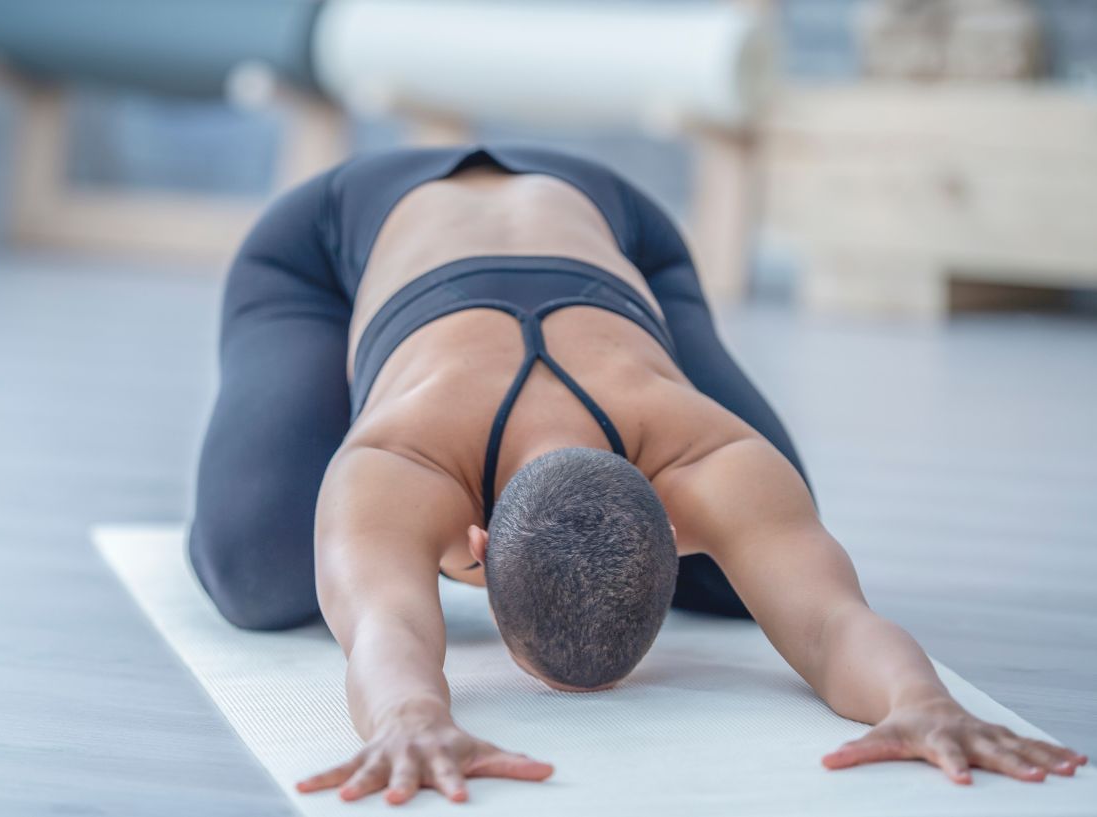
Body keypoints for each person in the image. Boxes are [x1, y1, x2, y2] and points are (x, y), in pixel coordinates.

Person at [188, 143, 1087, 805]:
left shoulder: (709, 454)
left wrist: (921, 701)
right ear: (471, 546)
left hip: (608, 217)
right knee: (258, 573)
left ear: (672, 513)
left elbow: (831, 624)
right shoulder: (400, 455)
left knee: (756, 579)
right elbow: (386, 632)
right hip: (332, 234)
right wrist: (406, 717)